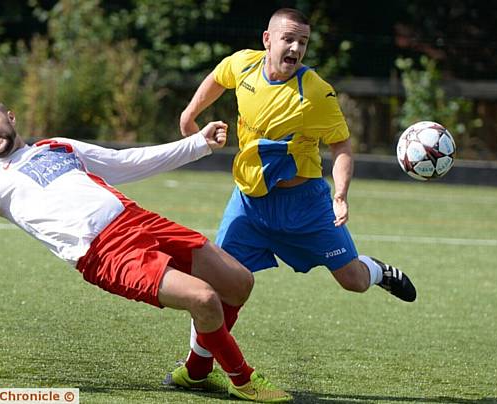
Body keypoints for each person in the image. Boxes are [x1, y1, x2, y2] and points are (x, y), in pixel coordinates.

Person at [0, 100, 292, 403]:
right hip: (105, 253)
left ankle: (194, 371)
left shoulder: (56, 145)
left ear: (10, 116)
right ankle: (242, 380)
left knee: (238, 282)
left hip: (137, 219)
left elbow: (124, 162)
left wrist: (197, 143)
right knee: (204, 299)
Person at [168, 7, 417, 390]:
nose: (296, 48)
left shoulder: (315, 92)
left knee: (352, 280)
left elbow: (342, 147)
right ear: (268, 40)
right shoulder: (244, 66)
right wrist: (190, 117)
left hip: (305, 206)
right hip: (250, 202)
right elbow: (219, 77)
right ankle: (197, 369)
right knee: (219, 285)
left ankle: (381, 272)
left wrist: (341, 194)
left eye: (302, 42)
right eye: (289, 39)